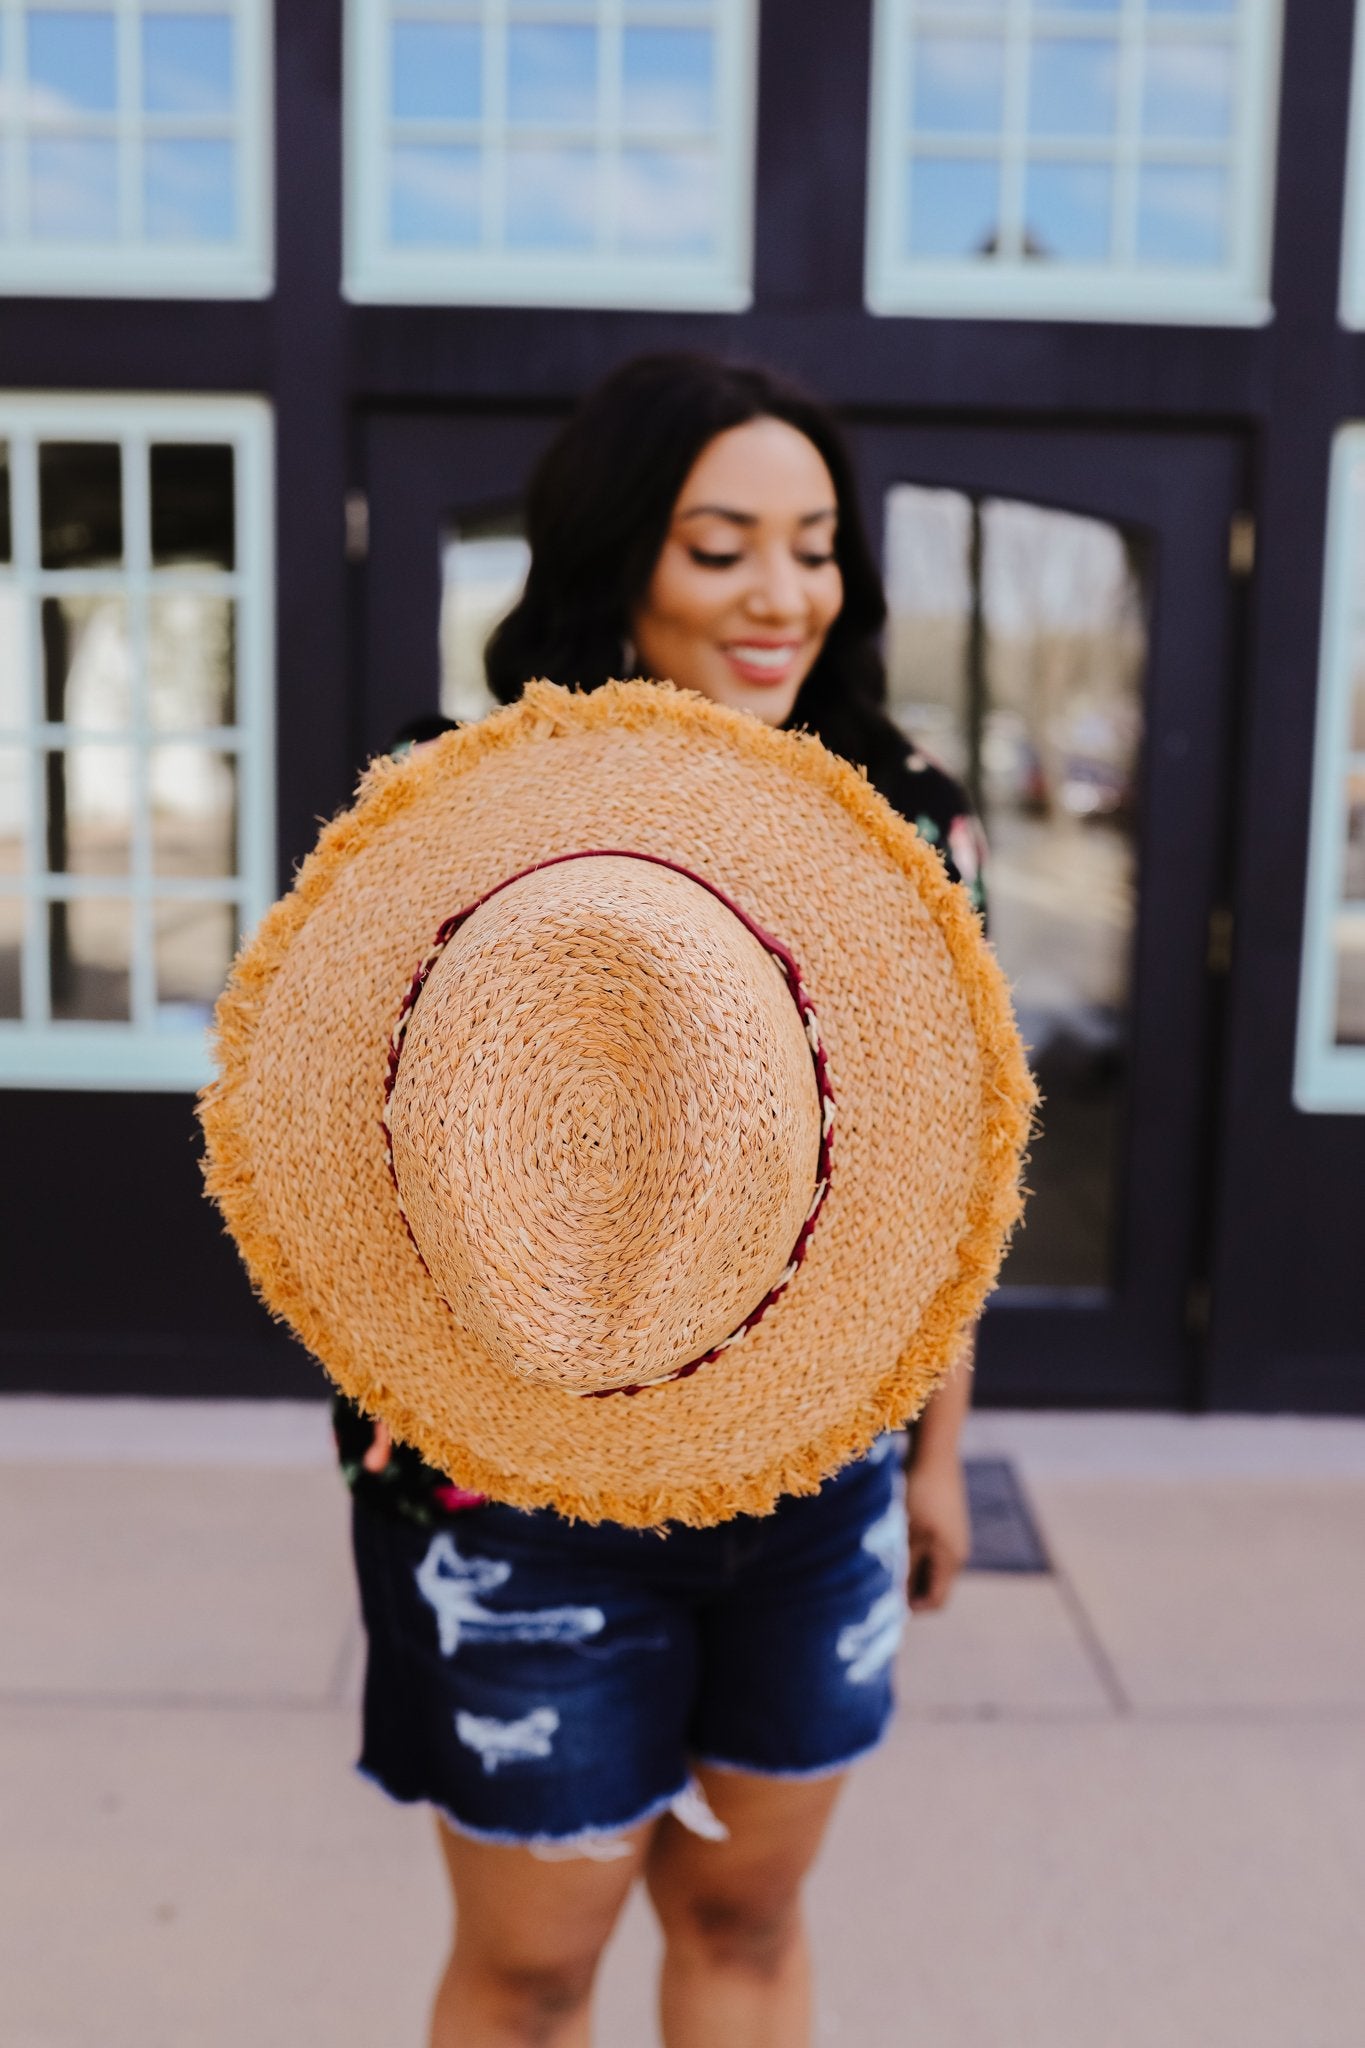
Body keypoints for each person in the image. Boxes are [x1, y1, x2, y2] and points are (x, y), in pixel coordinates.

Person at [336, 353, 990, 2048]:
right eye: (721, 547)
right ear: (620, 551)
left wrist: (934, 1454)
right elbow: (337, 1155)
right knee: (535, 1968)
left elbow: (947, 1186)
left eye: (815, 543)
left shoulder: (903, 813)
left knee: (746, 1918)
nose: (783, 595)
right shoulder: (446, 800)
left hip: (818, 1487)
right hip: (522, 1497)